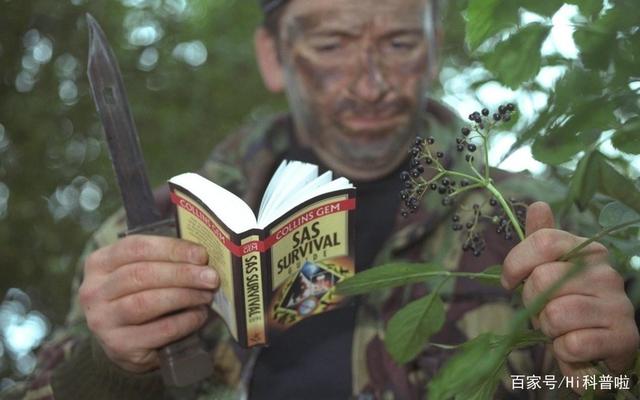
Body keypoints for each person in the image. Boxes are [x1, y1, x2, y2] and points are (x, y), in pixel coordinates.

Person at [4, 0, 638, 398]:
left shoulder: (537, 223)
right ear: (273, 56)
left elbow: (604, 382)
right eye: (331, 45)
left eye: (398, 42)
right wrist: (112, 368)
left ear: (434, 43)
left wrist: (615, 373)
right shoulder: (155, 232)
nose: (371, 84)